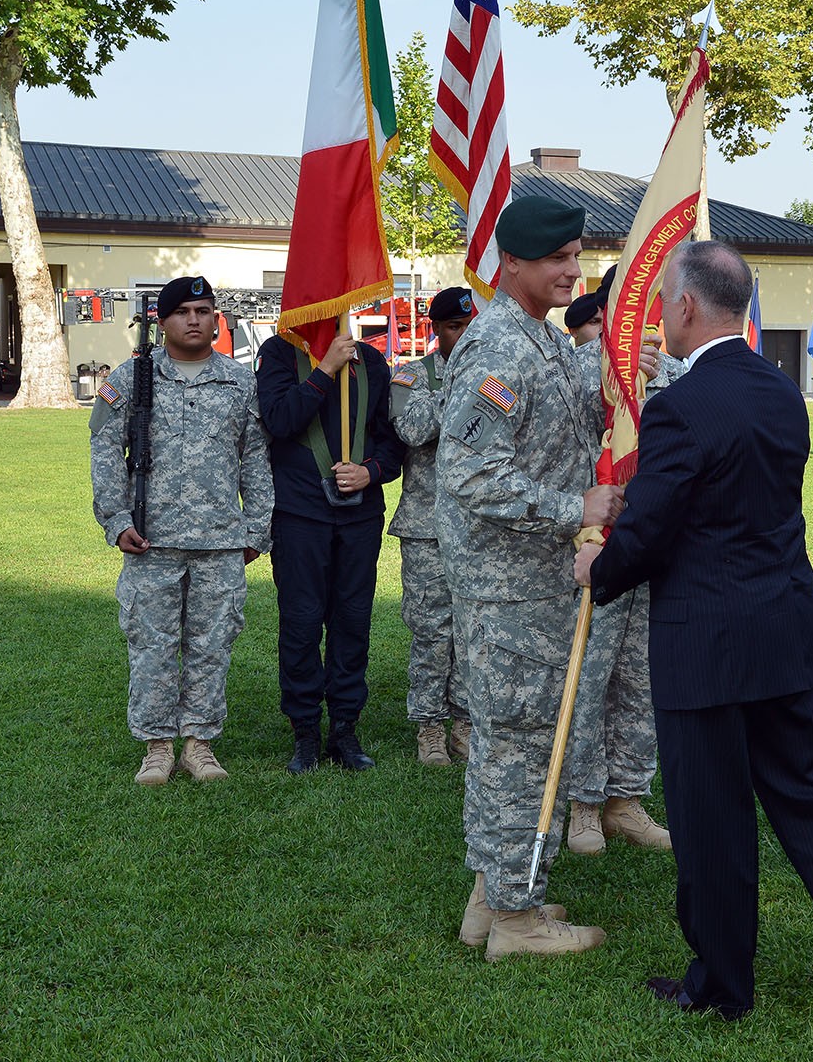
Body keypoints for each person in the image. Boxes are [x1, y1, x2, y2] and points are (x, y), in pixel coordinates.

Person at [576, 240, 813, 1018]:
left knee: (711, 819)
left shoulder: (680, 407)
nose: (661, 314)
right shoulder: (779, 391)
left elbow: (657, 527)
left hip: (705, 642)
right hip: (783, 631)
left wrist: (600, 571)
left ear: (689, 308)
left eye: (665, 301)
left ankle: (723, 986)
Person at [435, 195, 621, 961]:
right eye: (556, 259)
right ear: (510, 262)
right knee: (519, 752)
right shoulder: (499, 348)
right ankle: (518, 919)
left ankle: (493, 897)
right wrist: (570, 505)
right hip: (510, 593)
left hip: (532, 589)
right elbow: (472, 474)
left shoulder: (537, 339)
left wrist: (613, 371)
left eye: (576, 256)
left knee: (516, 745)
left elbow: (565, 414)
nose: (571, 270)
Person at [90, 275, 273, 785]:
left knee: (212, 645)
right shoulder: (131, 379)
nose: (195, 319)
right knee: (151, 644)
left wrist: (256, 530)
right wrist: (118, 520)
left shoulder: (240, 382)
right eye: (183, 311)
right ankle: (155, 745)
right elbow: (105, 451)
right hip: (152, 541)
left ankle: (199, 743)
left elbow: (256, 460)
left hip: (219, 542)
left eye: (204, 310)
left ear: (217, 319)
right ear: (162, 321)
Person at [257, 317, 403, 775]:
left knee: (353, 620)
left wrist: (372, 470)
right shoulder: (281, 353)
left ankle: (344, 727)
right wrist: (324, 371)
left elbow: (392, 440)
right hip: (300, 514)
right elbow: (279, 420)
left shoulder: (372, 361)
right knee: (301, 622)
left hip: (359, 515)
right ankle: (304, 731)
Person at [563, 265, 674, 855]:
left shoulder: (678, 372)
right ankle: (582, 802)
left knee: (640, 677)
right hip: (597, 547)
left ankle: (625, 797)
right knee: (590, 675)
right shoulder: (580, 367)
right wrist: (617, 376)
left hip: (653, 548)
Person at [389, 286, 476, 766]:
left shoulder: (495, 376)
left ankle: (463, 722)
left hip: (481, 526)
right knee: (431, 631)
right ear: (435, 330)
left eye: (470, 326)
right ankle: (429, 727)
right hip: (427, 528)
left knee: (471, 630)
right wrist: (468, 393)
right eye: (454, 327)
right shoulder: (410, 376)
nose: (464, 336)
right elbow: (414, 430)